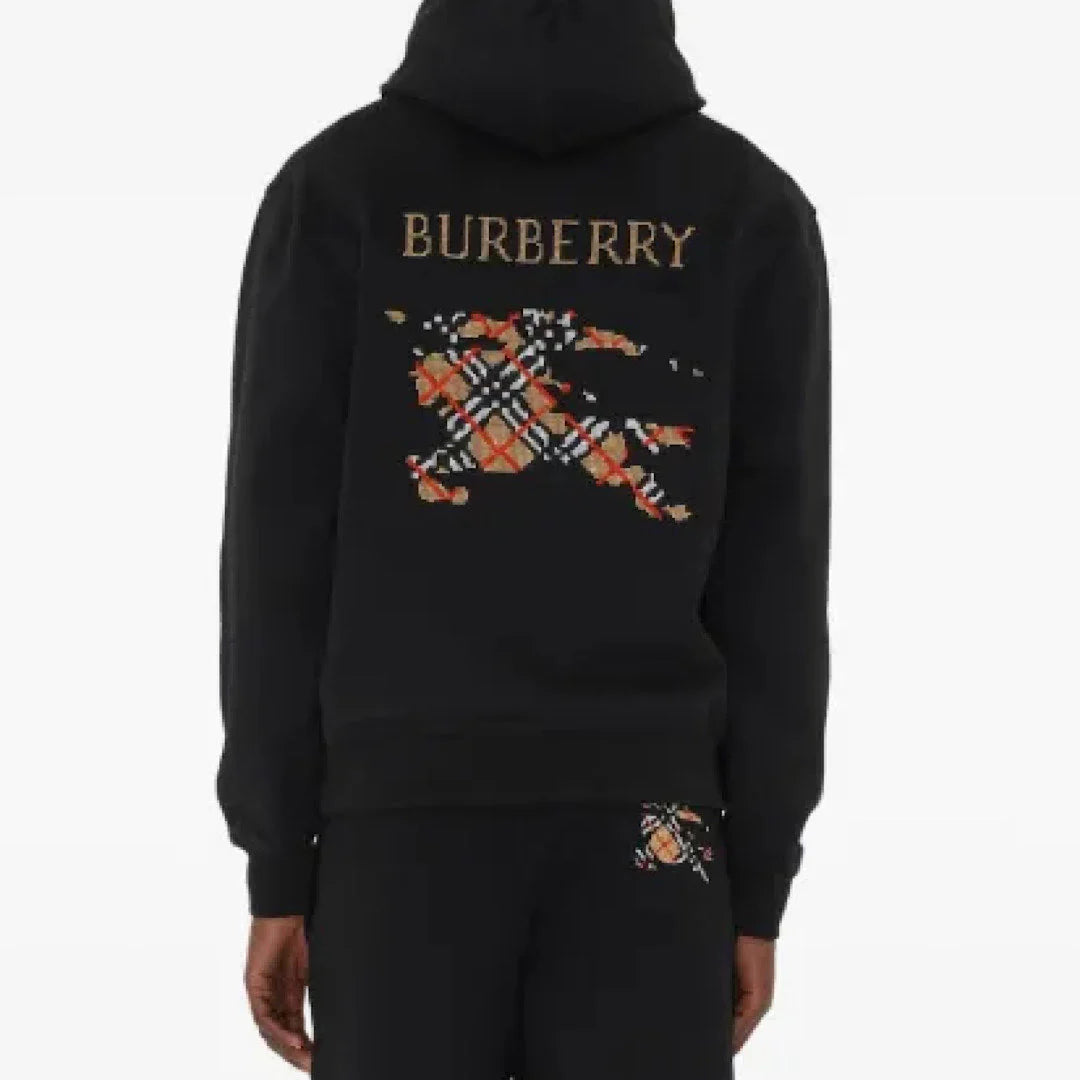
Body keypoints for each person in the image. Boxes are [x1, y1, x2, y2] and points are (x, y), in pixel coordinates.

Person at [218, 1, 830, 1077]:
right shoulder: (745, 207)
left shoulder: (340, 188)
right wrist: (756, 878)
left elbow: (276, 552)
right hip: (656, 832)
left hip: (397, 828)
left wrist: (280, 859)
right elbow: (775, 571)